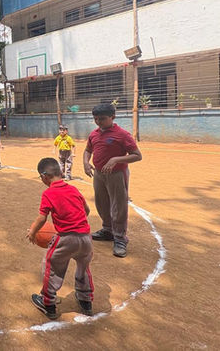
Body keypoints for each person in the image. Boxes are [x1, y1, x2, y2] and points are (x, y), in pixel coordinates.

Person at [26, 158, 94, 320]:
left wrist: (33, 233)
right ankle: (86, 300)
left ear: (44, 176)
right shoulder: (73, 189)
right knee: (84, 268)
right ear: (60, 172)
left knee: (51, 266)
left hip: (66, 239)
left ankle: (48, 303)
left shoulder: (48, 193)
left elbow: (42, 218)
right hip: (86, 238)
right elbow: (86, 210)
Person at [83, 103, 142, 258]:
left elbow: (137, 155)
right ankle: (108, 230)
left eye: (102, 119)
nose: (98, 122)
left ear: (112, 117)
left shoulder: (122, 134)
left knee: (118, 206)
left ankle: (120, 238)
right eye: (96, 119)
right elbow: (88, 150)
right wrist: (85, 162)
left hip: (117, 174)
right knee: (101, 203)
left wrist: (116, 159)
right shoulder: (94, 134)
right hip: (99, 174)